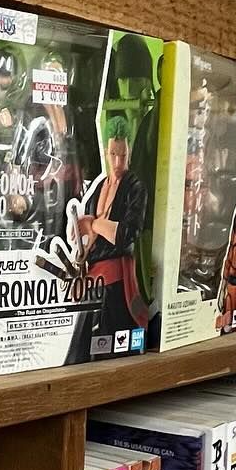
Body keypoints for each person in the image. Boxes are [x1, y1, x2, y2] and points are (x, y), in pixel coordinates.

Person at [75, 116, 149, 338]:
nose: (118, 163)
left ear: (130, 151)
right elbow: (91, 234)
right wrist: (82, 239)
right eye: (113, 155)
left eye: (123, 156)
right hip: (92, 278)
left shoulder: (135, 187)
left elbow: (126, 234)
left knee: (111, 337)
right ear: (105, 152)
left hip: (117, 281)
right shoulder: (99, 187)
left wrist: (94, 223)